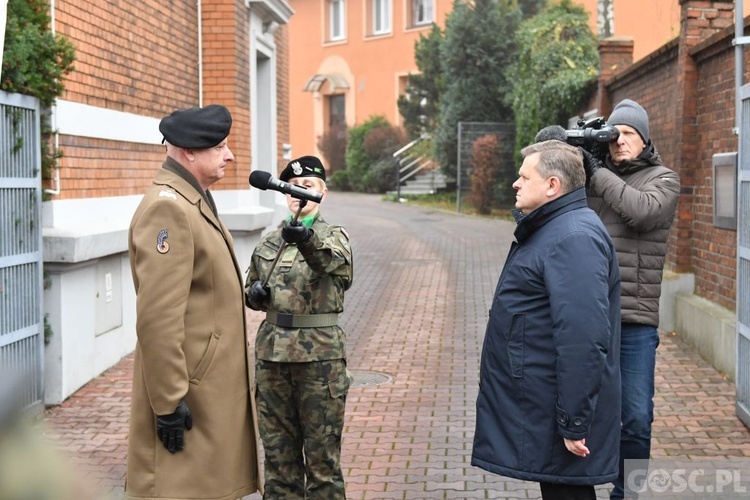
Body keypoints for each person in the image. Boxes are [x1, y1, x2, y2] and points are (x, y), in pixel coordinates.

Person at [472, 140, 622, 500]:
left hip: (559, 407)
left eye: (525, 176)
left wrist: (574, 421)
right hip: (547, 401)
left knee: (568, 493)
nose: (515, 183)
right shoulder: (557, 228)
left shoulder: (573, 237)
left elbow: (583, 338)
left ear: (553, 185)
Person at [126, 104, 262, 500]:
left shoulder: (191, 198)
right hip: (190, 393)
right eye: (220, 147)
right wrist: (168, 402)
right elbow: (158, 319)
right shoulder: (169, 208)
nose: (230, 155)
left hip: (206, 388)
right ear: (188, 152)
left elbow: (203, 287)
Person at [583, 99, 681, 499]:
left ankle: (629, 492)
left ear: (644, 139)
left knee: (637, 418)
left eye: (629, 134)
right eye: (614, 134)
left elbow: (640, 212)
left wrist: (596, 172)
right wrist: (572, 163)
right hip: (591, 317)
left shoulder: (664, 180)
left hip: (636, 323)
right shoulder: (592, 177)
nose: (620, 141)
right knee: (581, 414)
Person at [245, 155, 353, 499]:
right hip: (273, 360)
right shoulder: (269, 242)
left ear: (323, 191)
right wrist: (255, 294)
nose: (298, 193)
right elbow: (251, 289)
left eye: (306, 186)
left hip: (319, 362)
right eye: (291, 187)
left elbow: (328, 264)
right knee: (279, 462)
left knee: (322, 464)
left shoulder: (334, 237)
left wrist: (305, 239)